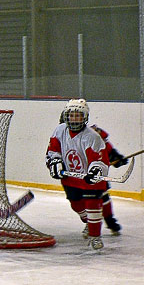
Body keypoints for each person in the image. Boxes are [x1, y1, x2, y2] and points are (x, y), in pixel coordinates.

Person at [46, 99, 110, 250]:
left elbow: (100, 159)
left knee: (92, 206)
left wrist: (95, 171)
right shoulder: (59, 130)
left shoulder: (92, 136)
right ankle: (89, 222)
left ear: (85, 117)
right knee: (76, 205)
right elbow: (53, 150)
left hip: (90, 180)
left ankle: (95, 237)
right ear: (66, 116)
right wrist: (55, 162)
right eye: (71, 115)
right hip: (71, 178)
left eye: (78, 116)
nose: (74, 119)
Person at [57, 111, 129, 236]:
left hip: (93, 173)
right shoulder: (60, 135)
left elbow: (104, 147)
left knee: (102, 197)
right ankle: (89, 222)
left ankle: (110, 221)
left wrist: (115, 156)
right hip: (74, 177)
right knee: (76, 204)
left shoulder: (91, 133)